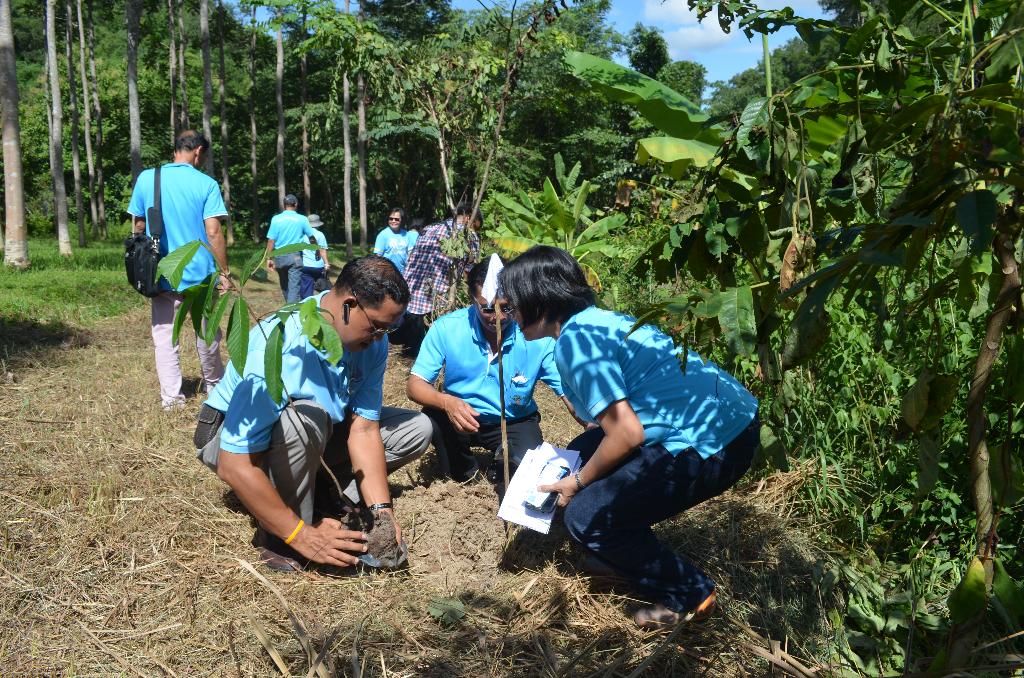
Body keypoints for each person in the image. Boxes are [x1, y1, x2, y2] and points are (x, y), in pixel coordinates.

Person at [499, 246, 760, 629]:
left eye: (514, 305)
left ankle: (690, 593)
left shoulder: (575, 340)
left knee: (585, 517)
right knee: (586, 448)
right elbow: (612, 418)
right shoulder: (597, 320)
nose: (510, 315)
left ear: (539, 299)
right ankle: (624, 540)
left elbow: (626, 432)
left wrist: (579, 482)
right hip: (730, 419)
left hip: (715, 443)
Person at [195, 256, 434, 571]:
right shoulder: (281, 342)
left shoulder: (371, 345)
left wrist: (382, 514)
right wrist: (300, 534)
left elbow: (363, 430)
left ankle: (315, 493)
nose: (380, 338)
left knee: (416, 429)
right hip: (230, 440)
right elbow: (233, 463)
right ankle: (281, 533)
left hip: (316, 431)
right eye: (376, 327)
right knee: (303, 419)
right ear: (350, 304)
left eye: (388, 329)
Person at [407, 259, 574, 485]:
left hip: (514, 419)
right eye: (487, 309)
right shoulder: (447, 328)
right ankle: (465, 471)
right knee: (436, 419)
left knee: (523, 474)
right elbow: (415, 385)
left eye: (507, 307)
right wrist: (447, 403)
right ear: (472, 300)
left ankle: (504, 462)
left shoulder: (536, 336)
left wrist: (593, 420)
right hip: (458, 415)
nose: (499, 317)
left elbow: (567, 390)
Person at [127, 130, 229, 410]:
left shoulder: (148, 178)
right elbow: (214, 231)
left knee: (164, 335)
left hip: (161, 272)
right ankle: (215, 386)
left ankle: (172, 399)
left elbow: (138, 225)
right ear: (198, 151)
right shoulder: (206, 184)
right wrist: (224, 271)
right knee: (207, 332)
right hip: (201, 274)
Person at [392, 202, 483, 356]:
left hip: (410, 289)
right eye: (476, 226)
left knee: (413, 342)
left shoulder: (430, 228)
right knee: (429, 346)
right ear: (469, 218)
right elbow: (471, 272)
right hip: (435, 298)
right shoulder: (469, 236)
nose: (476, 231)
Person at [265, 194, 315, 303]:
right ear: (296, 204)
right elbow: (311, 237)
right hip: (295, 257)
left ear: (284, 205)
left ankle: (289, 309)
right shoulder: (302, 219)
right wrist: (316, 250)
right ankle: (292, 312)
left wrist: (268, 258)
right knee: (294, 287)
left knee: (285, 286)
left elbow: (271, 240)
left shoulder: (276, 219)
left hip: (279, 257)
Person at [372, 207, 418, 273]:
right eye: (391, 219)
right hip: (387, 273)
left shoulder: (406, 234)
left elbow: (410, 254)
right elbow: (377, 257)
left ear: (401, 220)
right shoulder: (383, 235)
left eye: (396, 219)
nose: (393, 221)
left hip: (403, 272)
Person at [299, 214, 330, 299]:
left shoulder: (302, 235)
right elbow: (322, 251)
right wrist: (326, 264)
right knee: (324, 288)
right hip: (319, 267)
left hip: (306, 267)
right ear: (318, 224)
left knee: (306, 292)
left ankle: (306, 306)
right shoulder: (320, 234)